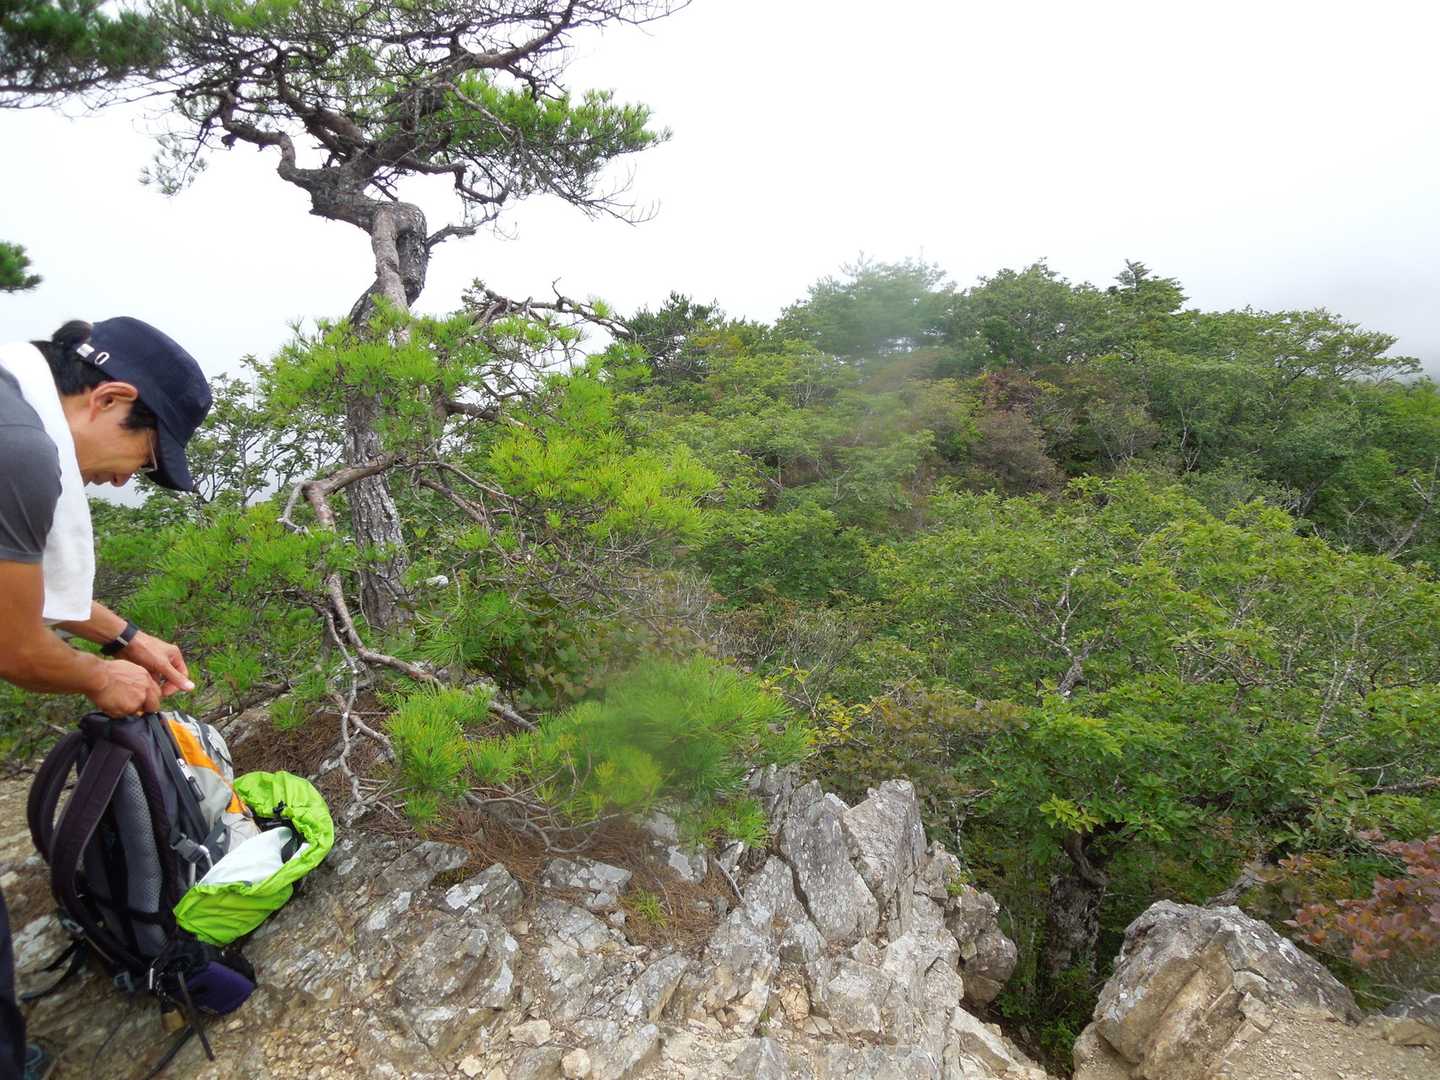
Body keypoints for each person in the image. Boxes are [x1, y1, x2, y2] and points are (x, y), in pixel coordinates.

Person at [0, 316, 213, 1079]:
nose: (127, 481)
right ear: (110, 398)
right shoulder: (20, 451)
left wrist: (125, 637)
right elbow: (17, 650)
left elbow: (14, 576)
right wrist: (101, 676)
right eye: (144, 458)